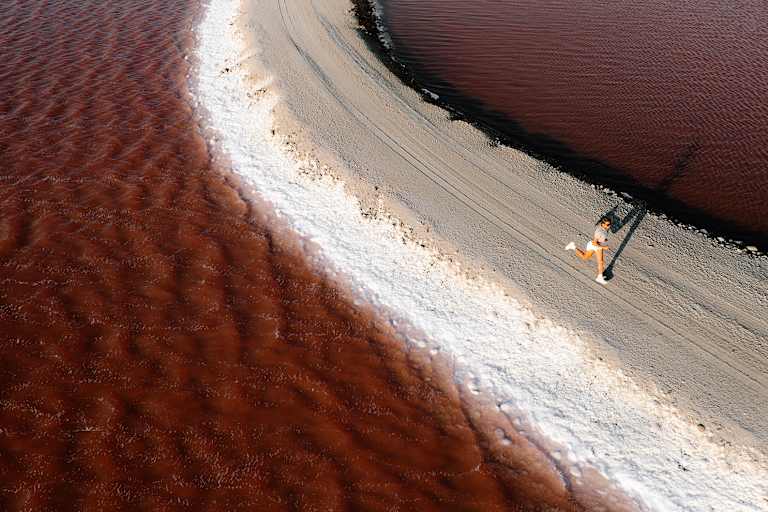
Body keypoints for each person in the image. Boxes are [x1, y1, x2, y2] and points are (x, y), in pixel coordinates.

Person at [565, 217, 612, 284]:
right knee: (585, 257)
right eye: (608, 224)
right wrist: (604, 248)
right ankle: (573, 247)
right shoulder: (599, 232)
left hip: (598, 246)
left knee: (601, 262)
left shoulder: (605, 229)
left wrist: (603, 240)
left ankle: (599, 277)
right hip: (594, 246)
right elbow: (594, 243)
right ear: (603, 224)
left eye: (610, 224)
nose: (609, 226)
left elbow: (601, 237)